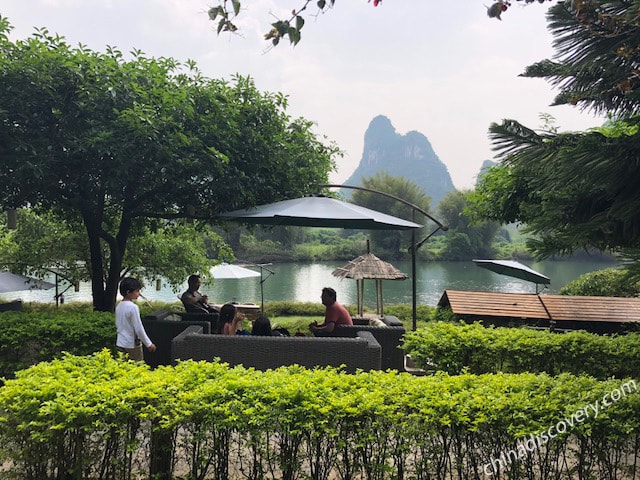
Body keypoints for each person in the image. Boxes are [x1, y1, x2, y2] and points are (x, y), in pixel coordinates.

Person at [115, 277, 156, 361]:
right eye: (137, 291)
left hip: (120, 342)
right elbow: (138, 328)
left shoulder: (119, 306)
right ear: (128, 292)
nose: (139, 293)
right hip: (132, 344)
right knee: (137, 367)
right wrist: (148, 344)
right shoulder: (133, 307)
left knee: (122, 367)